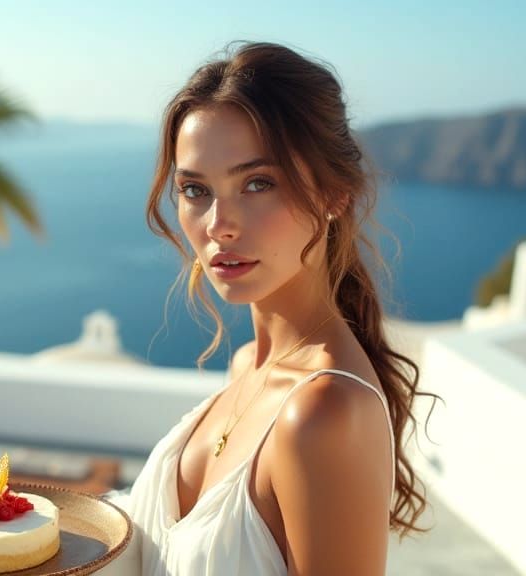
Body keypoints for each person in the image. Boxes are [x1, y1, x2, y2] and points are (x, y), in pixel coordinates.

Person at [105, 42, 433, 576]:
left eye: (258, 183)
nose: (218, 225)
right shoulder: (247, 366)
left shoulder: (324, 413)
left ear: (334, 194)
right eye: (195, 189)